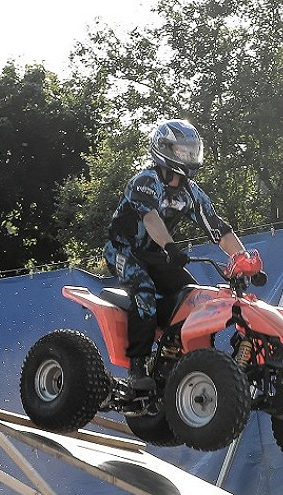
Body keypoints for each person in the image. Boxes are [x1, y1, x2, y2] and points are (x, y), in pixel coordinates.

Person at [104, 119, 262, 391]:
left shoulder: (191, 192)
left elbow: (218, 228)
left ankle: (178, 356)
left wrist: (246, 261)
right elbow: (151, 219)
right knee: (144, 291)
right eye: (182, 151)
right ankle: (137, 367)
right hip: (124, 251)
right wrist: (170, 247)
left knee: (192, 296)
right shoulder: (145, 181)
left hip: (158, 255)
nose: (188, 156)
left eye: (191, 151)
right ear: (164, 149)